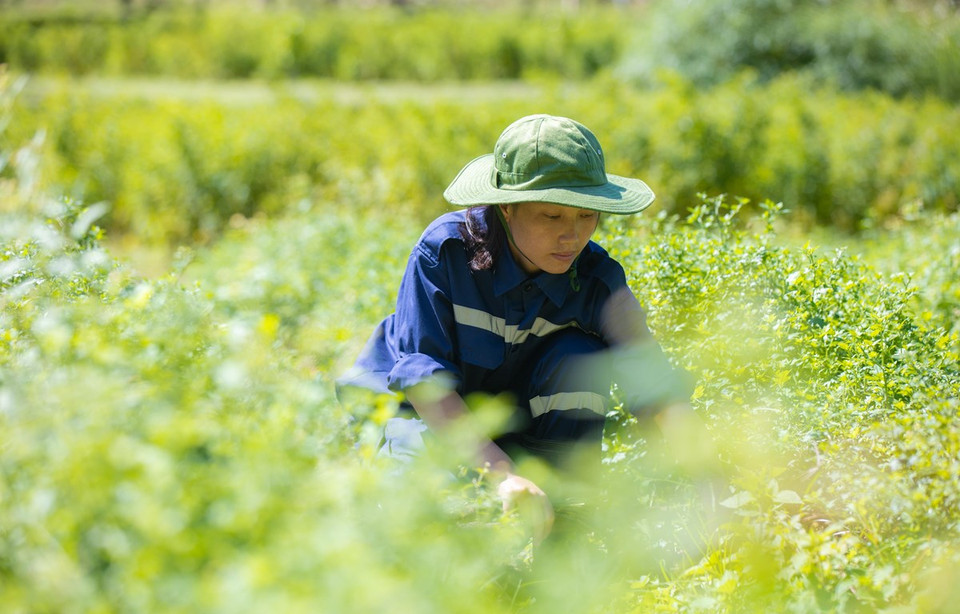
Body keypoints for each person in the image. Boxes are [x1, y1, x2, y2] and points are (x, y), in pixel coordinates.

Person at [339, 114, 706, 542]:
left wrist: (711, 478)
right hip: (424, 416)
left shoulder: (595, 278)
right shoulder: (445, 252)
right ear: (506, 207)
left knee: (580, 358)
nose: (572, 236)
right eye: (551, 216)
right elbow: (424, 384)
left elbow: (653, 384)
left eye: (587, 215)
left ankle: (564, 518)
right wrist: (502, 475)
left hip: (519, 422)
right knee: (419, 520)